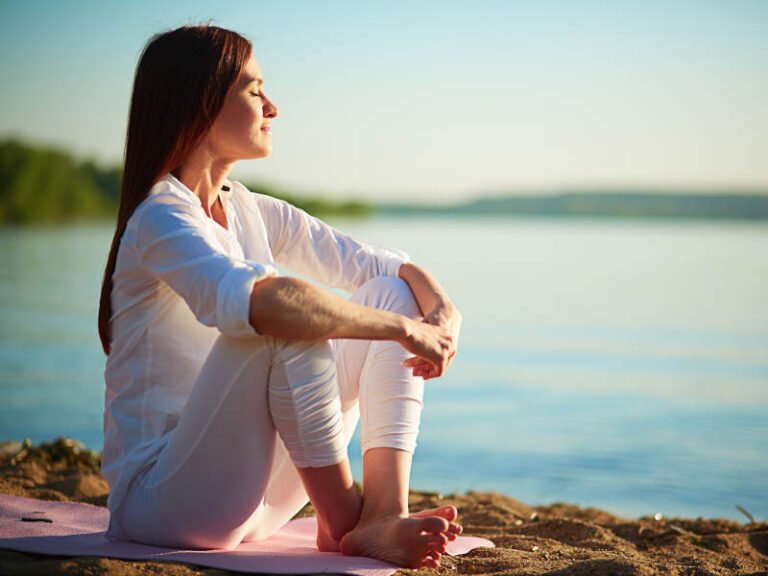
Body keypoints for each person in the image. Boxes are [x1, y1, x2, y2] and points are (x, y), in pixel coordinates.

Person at [97, 24, 463, 570]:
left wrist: (441, 312)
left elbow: (388, 268)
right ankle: (343, 520)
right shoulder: (161, 216)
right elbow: (266, 303)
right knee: (281, 319)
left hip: (257, 502)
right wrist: (404, 331)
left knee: (387, 294)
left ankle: (381, 514)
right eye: (253, 89)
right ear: (199, 104)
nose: (272, 106)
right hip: (164, 503)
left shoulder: (249, 208)